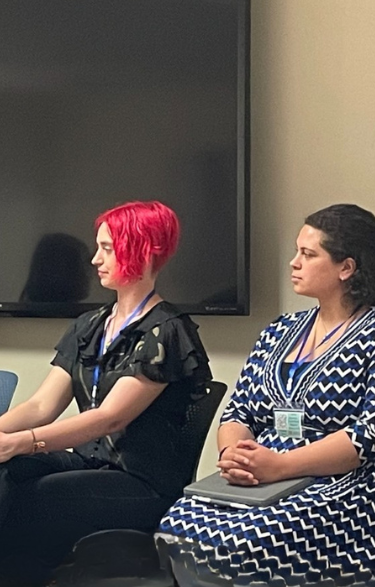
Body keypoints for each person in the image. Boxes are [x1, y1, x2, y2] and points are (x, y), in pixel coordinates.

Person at [0, 201, 212, 586]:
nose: (96, 259)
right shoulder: (91, 325)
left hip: (137, 481)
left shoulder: (166, 332)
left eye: (108, 249)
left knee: (31, 496)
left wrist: (16, 443)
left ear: (144, 250)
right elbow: (41, 405)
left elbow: (109, 418)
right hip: (85, 463)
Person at [158, 203, 375, 587]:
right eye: (296, 251)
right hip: (259, 476)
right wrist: (233, 456)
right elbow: (238, 411)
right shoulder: (281, 330)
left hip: (339, 485)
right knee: (178, 525)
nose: (294, 262)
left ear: (347, 267)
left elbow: (366, 436)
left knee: (245, 542)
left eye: (308, 255)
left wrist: (281, 466)